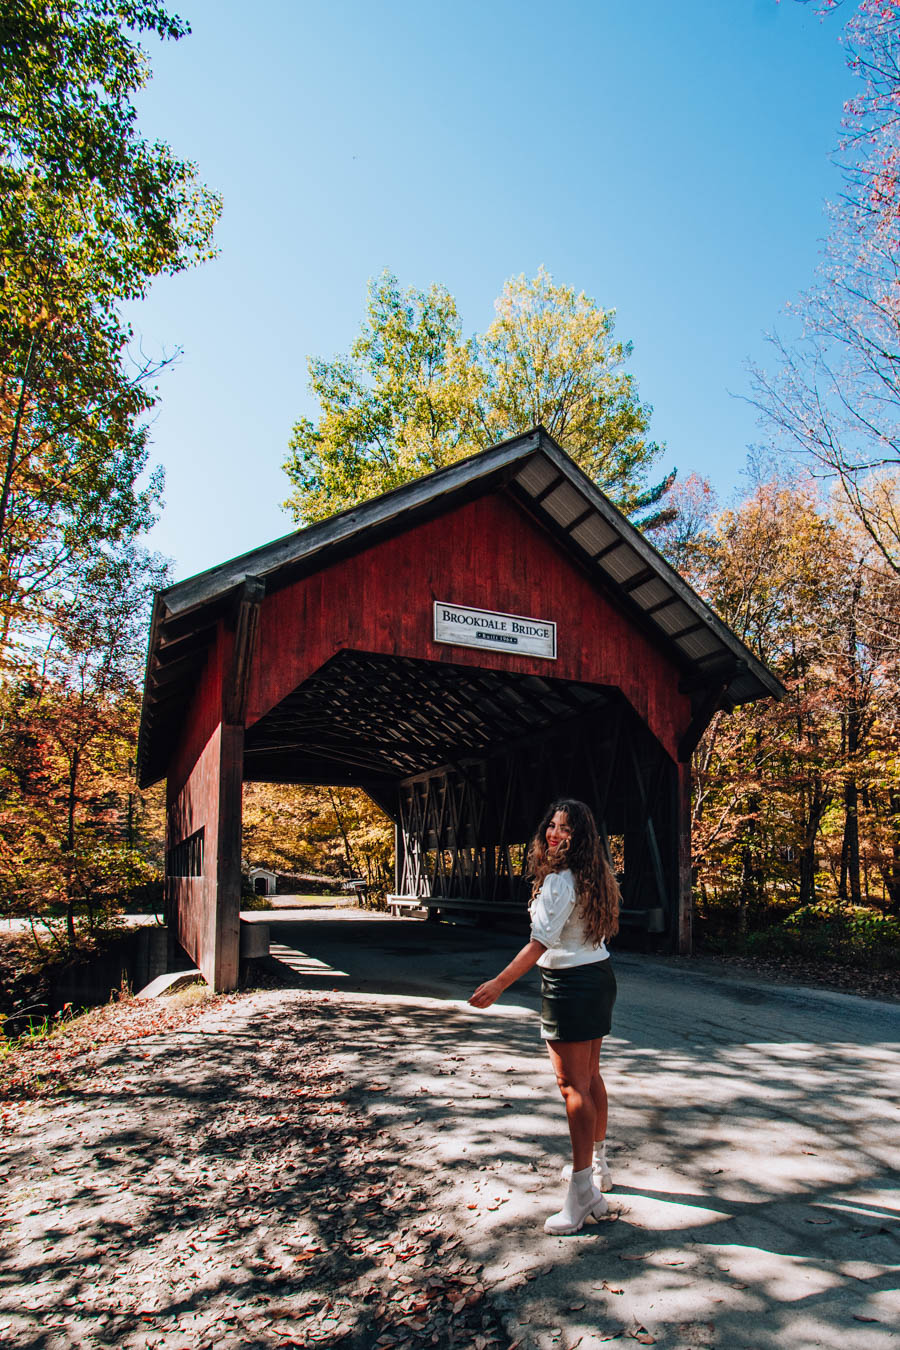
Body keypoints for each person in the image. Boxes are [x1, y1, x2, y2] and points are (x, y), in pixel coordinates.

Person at [468, 798, 620, 1235]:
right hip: (598, 974)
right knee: (590, 1077)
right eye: (552, 825)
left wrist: (498, 984)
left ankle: (580, 1194)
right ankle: (599, 1170)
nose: (555, 834)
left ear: (580, 836)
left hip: (570, 985)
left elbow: (538, 945)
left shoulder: (559, 882)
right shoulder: (595, 874)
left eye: (565, 829)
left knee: (573, 1086)